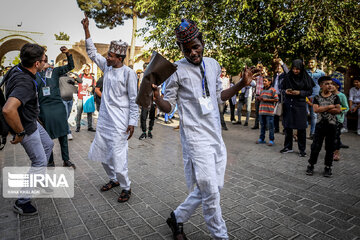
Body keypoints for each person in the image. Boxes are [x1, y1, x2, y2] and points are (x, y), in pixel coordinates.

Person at [151, 19, 257, 240]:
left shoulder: (213, 64)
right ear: (180, 49)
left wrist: (241, 85)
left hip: (215, 136)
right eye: (186, 48)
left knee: (213, 186)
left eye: (195, 46)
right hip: (194, 138)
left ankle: (177, 217)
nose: (192, 52)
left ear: (202, 42)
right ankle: (221, 235)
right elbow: (169, 107)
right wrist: (158, 98)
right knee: (209, 189)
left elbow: (219, 97)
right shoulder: (176, 71)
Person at [82, 15, 138, 203]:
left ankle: (126, 187)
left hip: (120, 124)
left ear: (120, 58)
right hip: (104, 120)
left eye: (111, 56)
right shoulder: (107, 68)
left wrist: (132, 122)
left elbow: (133, 99)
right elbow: (91, 52)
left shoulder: (129, 74)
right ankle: (113, 180)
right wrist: (87, 29)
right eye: (107, 55)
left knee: (118, 158)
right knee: (103, 154)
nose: (107, 57)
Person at [2, 43, 54, 215]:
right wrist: (20, 132)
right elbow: (8, 109)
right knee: (39, 161)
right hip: (26, 128)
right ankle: (22, 201)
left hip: (32, 122)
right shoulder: (24, 82)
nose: (46, 64)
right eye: (44, 61)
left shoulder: (18, 69)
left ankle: (37, 177)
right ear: (37, 64)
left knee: (48, 145)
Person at [36, 48, 76, 169]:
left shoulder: (54, 71)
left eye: (46, 60)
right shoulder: (34, 75)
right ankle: (50, 161)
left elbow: (71, 66)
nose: (45, 63)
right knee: (48, 138)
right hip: (45, 109)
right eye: (43, 60)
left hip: (58, 107)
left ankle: (66, 160)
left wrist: (67, 54)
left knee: (63, 134)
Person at [306, 76, 341, 177]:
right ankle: (311, 165)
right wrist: (330, 107)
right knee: (316, 146)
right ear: (321, 85)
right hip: (320, 125)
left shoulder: (335, 97)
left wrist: (323, 108)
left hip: (332, 125)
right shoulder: (317, 98)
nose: (330, 85)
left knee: (330, 147)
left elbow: (338, 110)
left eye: (331, 84)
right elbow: (316, 110)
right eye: (327, 84)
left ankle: (328, 167)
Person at [280, 59, 315, 157]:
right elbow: (282, 88)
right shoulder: (288, 76)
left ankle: (302, 149)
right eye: (294, 69)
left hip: (300, 105)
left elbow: (309, 91)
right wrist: (285, 91)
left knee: (301, 128)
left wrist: (299, 93)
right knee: (287, 127)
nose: (295, 71)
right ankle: (288, 147)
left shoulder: (305, 77)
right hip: (288, 104)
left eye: (297, 69)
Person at [59, 59, 82, 140]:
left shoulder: (73, 74)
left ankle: (62, 129)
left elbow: (80, 81)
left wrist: (75, 77)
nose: (67, 67)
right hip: (62, 99)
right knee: (65, 116)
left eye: (68, 65)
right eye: (65, 65)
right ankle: (68, 132)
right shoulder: (60, 75)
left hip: (70, 99)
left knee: (67, 116)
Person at [256, 77, 278, 146]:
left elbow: (276, 99)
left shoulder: (273, 90)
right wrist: (259, 99)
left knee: (270, 126)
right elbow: (261, 98)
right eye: (263, 81)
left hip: (269, 112)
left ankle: (271, 140)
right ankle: (261, 139)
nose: (264, 82)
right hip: (262, 111)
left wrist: (266, 100)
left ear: (270, 82)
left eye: (265, 81)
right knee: (262, 126)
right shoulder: (262, 90)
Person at [306, 58, 325, 139]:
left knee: (314, 115)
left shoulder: (321, 73)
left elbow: (324, 84)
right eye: (309, 62)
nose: (310, 64)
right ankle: (302, 132)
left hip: (316, 96)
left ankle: (313, 133)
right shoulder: (306, 72)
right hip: (306, 96)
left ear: (316, 63)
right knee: (304, 114)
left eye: (312, 62)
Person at [331, 78, 349, 161]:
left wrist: (339, 109)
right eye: (329, 84)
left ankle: (336, 153)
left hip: (338, 119)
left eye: (333, 84)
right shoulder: (328, 94)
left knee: (336, 137)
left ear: (337, 86)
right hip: (328, 119)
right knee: (330, 137)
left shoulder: (341, 95)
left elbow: (347, 108)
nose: (330, 86)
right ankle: (331, 151)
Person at [75, 63, 96, 132]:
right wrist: (81, 68)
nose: (87, 70)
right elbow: (75, 76)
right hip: (80, 97)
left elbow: (94, 85)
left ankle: (90, 127)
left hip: (88, 97)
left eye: (88, 69)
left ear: (90, 70)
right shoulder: (81, 76)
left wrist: (92, 88)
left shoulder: (92, 78)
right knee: (79, 113)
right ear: (84, 70)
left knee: (89, 113)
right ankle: (78, 127)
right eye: (85, 69)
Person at [139, 62, 156, 140]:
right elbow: (140, 87)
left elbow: (156, 88)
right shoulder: (142, 75)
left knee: (152, 117)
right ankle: (144, 132)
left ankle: (149, 131)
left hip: (152, 100)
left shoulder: (154, 76)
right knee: (143, 116)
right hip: (145, 99)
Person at [272, 59, 288, 133]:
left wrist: (282, 63)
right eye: (277, 66)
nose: (278, 67)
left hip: (282, 96)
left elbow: (287, 72)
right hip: (275, 95)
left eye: (280, 66)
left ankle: (285, 128)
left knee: (284, 113)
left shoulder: (284, 75)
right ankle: (276, 128)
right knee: (275, 113)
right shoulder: (275, 75)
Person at [252, 63, 265, 129]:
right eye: (258, 68)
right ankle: (256, 125)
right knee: (257, 111)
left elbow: (266, 76)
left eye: (260, 67)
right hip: (257, 95)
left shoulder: (264, 77)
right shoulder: (257, 77)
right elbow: (252, 78)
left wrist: (263, 73)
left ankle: (265, 126)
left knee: (263, 112)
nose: (259, 69)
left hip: (263, 96)